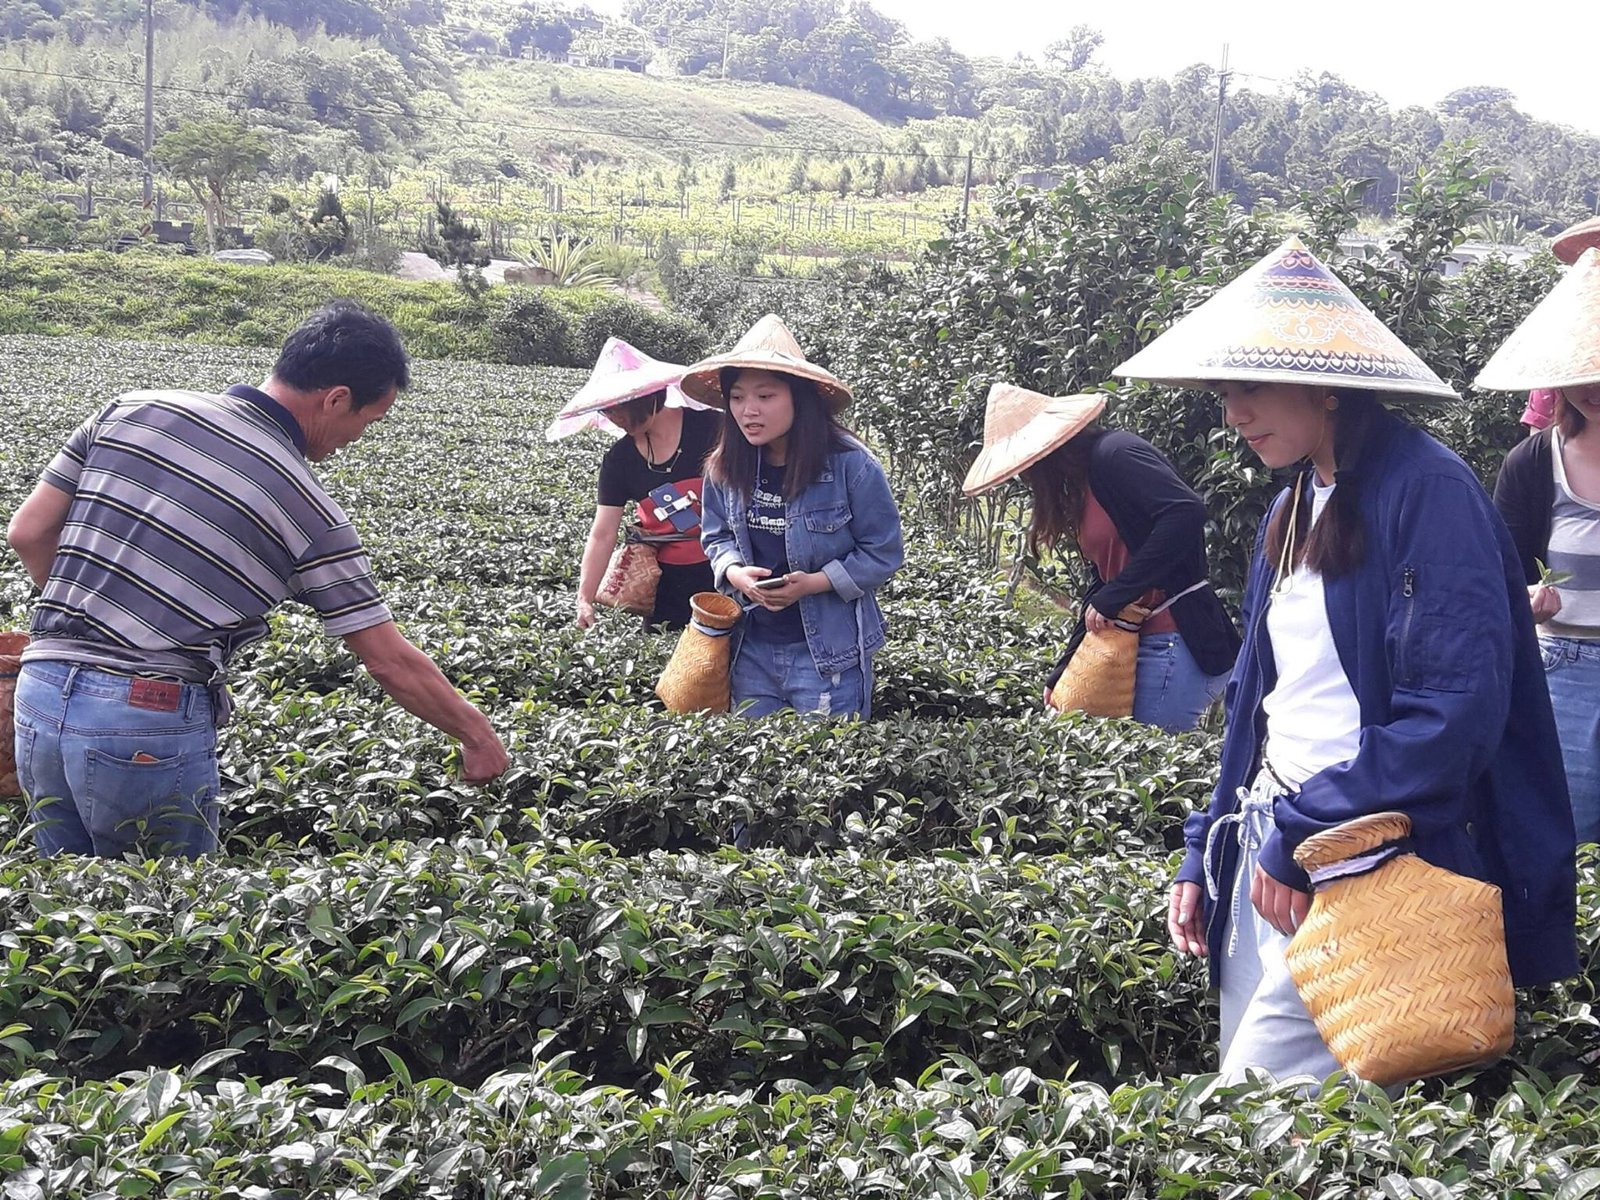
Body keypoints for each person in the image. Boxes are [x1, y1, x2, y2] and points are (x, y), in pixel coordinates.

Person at [1115, 236, 1577, 1082]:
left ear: (1324, 385)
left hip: (1359, 859)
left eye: (1251, 388)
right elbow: (1262, 703)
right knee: (1273, 1124)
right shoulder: (1294, 502)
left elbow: (1454, 714)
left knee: (1252, 1113)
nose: (1233, 414)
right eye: (1225, 393)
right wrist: (1205, 847)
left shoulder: (1427, 492)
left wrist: (1301, 833)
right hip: (1273, 840)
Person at [5, 301, 509, 860]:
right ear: (336, 398)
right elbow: (389, 660)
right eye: (368, 420)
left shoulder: (130, 410)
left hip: (40, 688)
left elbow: (27, 533)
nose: (358, 437)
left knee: (72, 898)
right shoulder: (308, 511)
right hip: (147, 713)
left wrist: (94, 626)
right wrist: (477, 735)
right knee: (165, 904)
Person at [960, 383, 1240, 732]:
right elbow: (1103, 580)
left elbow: (1185, 514)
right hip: (1133, 639)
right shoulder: (1084, 482)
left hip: (1175, 637)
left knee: (1143, 758)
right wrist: (1064, 668)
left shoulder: (1115, 454)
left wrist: (1117, 594)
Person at [685, 314, 904, 719]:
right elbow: (716, 535)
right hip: (750, 650)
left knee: (829, 757)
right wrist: (735, 573)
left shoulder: (851, 466)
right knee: (752, 755)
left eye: (765, 396)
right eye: (737, 397)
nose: (748, 410)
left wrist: (813, 584)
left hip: (829, 657)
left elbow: (883, 551)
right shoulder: (724, 465)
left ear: (799, 399)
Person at [1483, 247, 1600, 844]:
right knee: (1566, 841)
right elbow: (1500, 575)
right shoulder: (1533, 462)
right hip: (1565, 671)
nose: (1590, 387)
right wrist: (1526, 598)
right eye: (1578, 370)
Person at [549, 337, 718, 631]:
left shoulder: (712, 427)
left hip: (724, 571)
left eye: (619, 408)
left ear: (647, 397)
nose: (614, 418)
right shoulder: (620, 459)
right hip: (664, 585)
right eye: (606, 410)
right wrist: (584, 597)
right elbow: (603, 533)